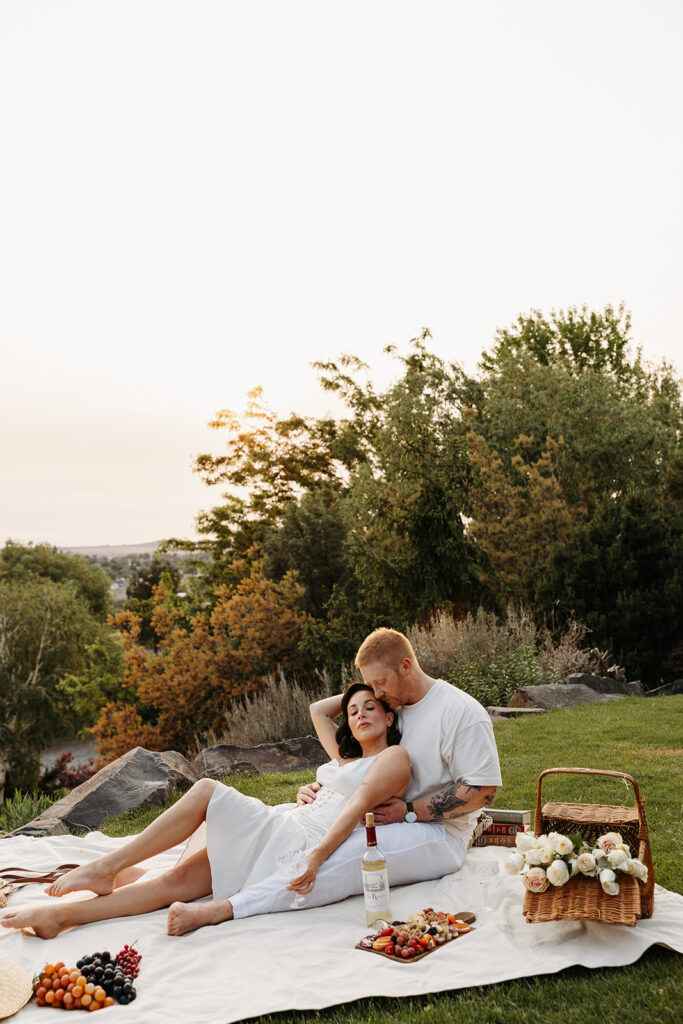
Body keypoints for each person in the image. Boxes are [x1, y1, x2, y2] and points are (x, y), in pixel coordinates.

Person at [0, 683, 409, 939]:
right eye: (353, 711)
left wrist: (316, 856)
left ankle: (108, 868)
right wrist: (363, 691)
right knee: (174, 882)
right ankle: (61, 917)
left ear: (390, 716)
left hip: (299, 841)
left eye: (370, 707)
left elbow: (356, 804)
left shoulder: (394, 757)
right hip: (286, 825)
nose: (358, 715)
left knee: (208, 790)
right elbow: (318, 711)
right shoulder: (343, 760)